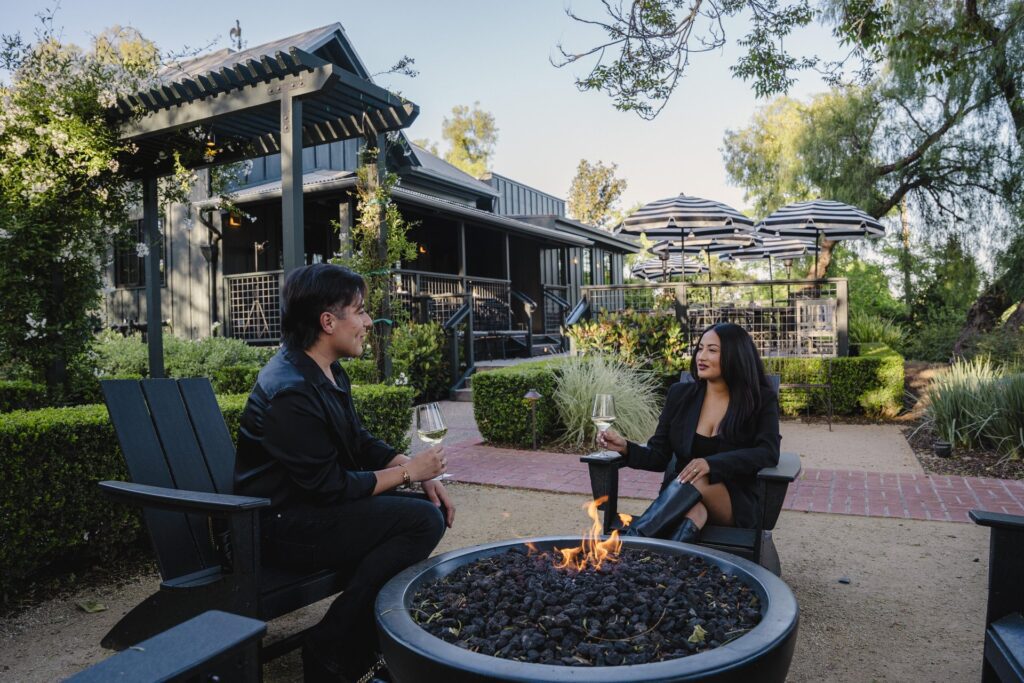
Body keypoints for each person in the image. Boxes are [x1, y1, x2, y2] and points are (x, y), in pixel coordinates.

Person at [234, 263, 455, 683]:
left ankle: (354, 640)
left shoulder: (326, 371)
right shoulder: (289, 391)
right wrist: (410, 475)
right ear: (328, 321)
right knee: (419, 519)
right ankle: (333, 650)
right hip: (277, 527)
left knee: (424, 511)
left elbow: (359, 442)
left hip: (309, 513)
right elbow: (330, 487)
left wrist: (416, 471)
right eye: (360, 310)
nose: (369, 321)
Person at [598, 322, 779, 542]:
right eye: (700, 348)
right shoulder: (680, 395)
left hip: (733, 500)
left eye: (712, 350)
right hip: (683, 497)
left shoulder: (759, 400)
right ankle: (660, 566)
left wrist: (712, 464)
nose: (701, 356)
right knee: (695, 514)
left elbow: (768, 452)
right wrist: (625, 446)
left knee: (699, 476)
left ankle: (634, 541)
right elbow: (658, 455)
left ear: (735, 355)